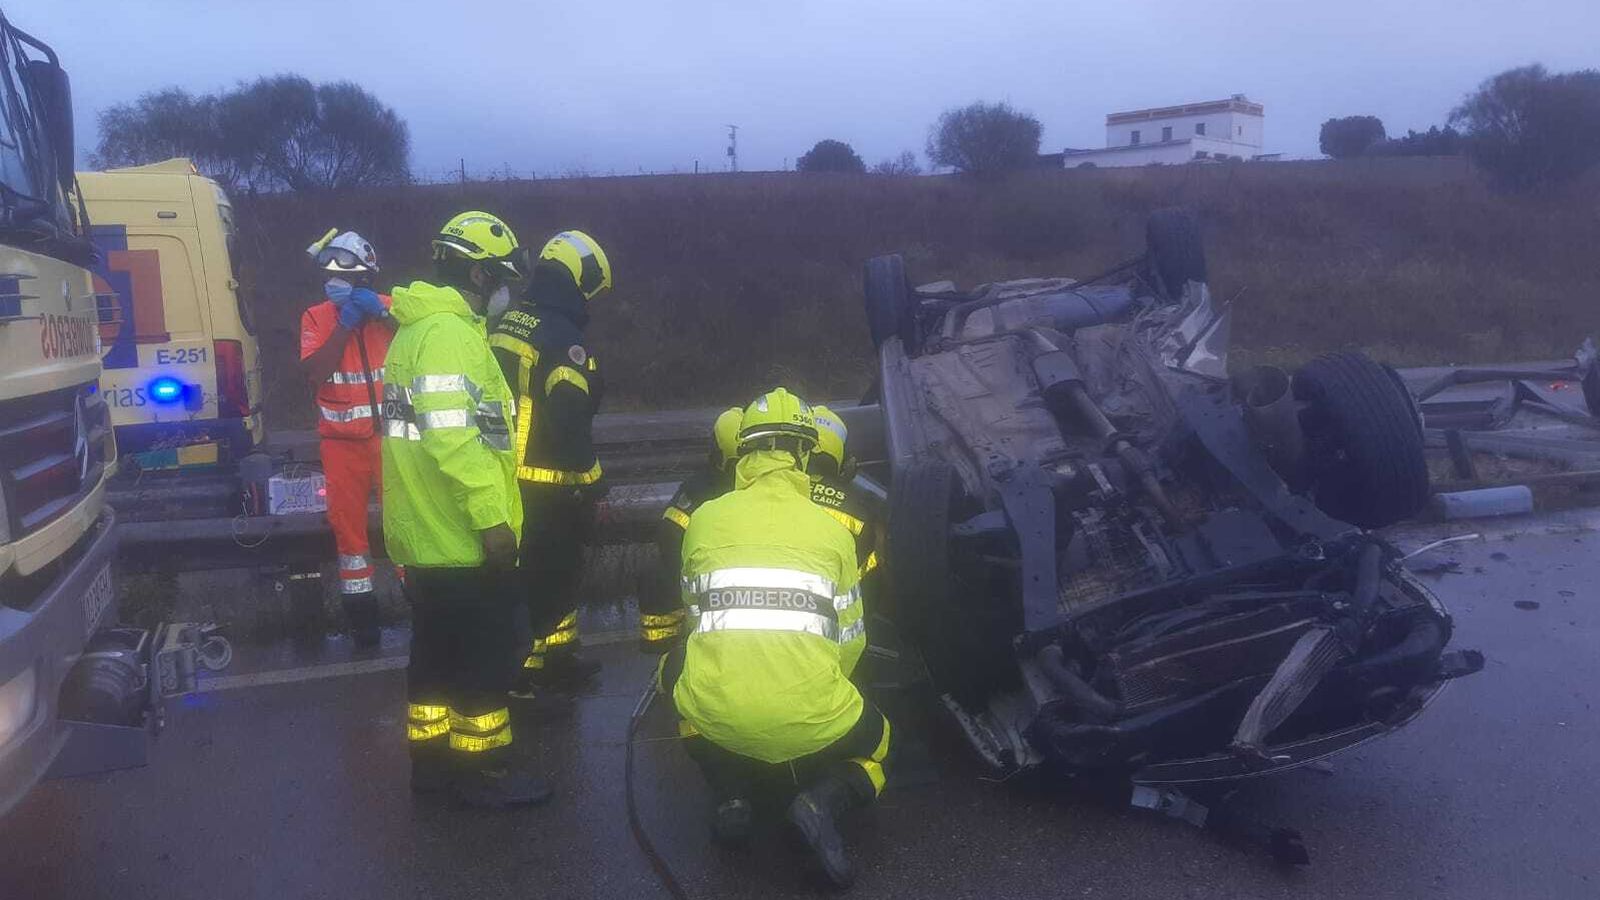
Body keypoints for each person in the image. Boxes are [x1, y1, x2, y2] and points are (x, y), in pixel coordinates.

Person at [660, 388, 888, 889]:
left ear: (741, 451)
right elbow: (850, 642)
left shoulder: (705, 520)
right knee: (879, 738)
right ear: (806, 452)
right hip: (813, 718)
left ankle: (729, 794)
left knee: (674, 672)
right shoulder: (833, 534)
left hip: (717, 714)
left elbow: (697, 620)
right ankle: (821, 800)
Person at [382, 211, 548, 807]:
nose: (506, 290)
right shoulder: (450, 334)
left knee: (433, 664)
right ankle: (483, 774)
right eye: (502, 276)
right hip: (461, 536)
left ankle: (432, 770)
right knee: (485, 661)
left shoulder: (416, 329)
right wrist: (491, 518)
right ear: (477, 273)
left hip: (426, 536)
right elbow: (454, 439)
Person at [488, 231, 614, 699]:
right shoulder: (564, 339)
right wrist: (595, 484)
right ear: (579, 280)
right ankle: (530, 677)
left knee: (530, 580)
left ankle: (556, 659)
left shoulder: (506, 320)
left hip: (502, 478)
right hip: (549, 485)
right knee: (552, 578)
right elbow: (569, 419)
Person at [298, 229, 392, 647]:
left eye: (346, 277)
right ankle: (364, 623)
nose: (335, 283)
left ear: (366, 280)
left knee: (407, 524)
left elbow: (421, 336)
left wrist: (383, 316)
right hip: (340, 445)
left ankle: (423, 603)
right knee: (350, 537)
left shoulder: (389, 310)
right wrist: (345, 324)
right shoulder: (316, 317)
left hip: (391, 440)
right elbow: (315, 374)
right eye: (330, 275)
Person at [640, 406, 743, 653]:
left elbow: (669, 533)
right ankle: (670, 651)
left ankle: (669, 660)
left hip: (714, 587)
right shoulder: (703, 488)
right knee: (656, 578)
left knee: (656, 577)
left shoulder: (699, 487)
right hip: (727, 586)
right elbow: (670, 533)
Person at [806, 405, 883, 663]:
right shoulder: (863, 512)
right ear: (845, 463)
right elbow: (869, 577)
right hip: (835, 640)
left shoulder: (766, 495)